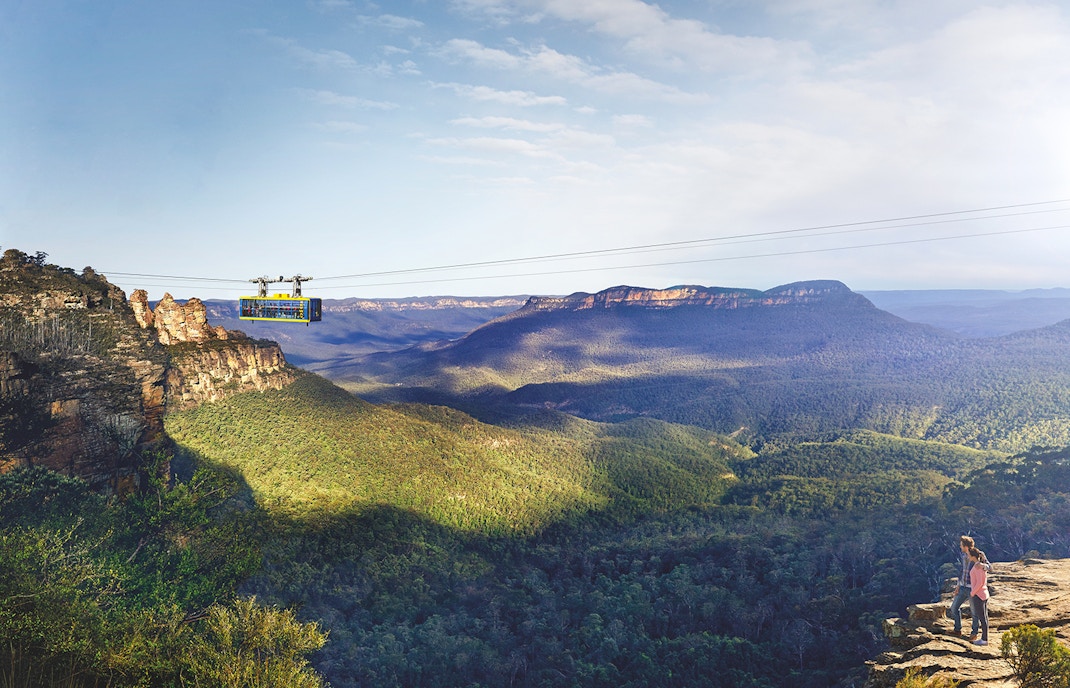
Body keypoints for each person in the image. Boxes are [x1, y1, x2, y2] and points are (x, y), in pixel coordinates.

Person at [949, 535, 990, 636]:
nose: (960, 547)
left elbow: (990, 567)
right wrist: (958, 586)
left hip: (973, 588)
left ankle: (974, 633)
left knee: (974, 613)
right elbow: (962, 571)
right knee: (954, 608)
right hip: (963, 587)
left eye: (961, 545)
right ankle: (957, 629)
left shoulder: (979, 554)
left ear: (966, 546)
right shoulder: (963, 556)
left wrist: (983, 566)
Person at [967, 546, 990, 645]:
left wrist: (972, 593)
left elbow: (979, 583)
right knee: (984, 618)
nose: (967, 556)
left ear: (972, 556)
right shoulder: (981, 565)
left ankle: (984, 640)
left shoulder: (977, 567)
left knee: (982, 618)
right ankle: (984, 638)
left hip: (979, 595)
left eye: (968, 555)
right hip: (983, 594)